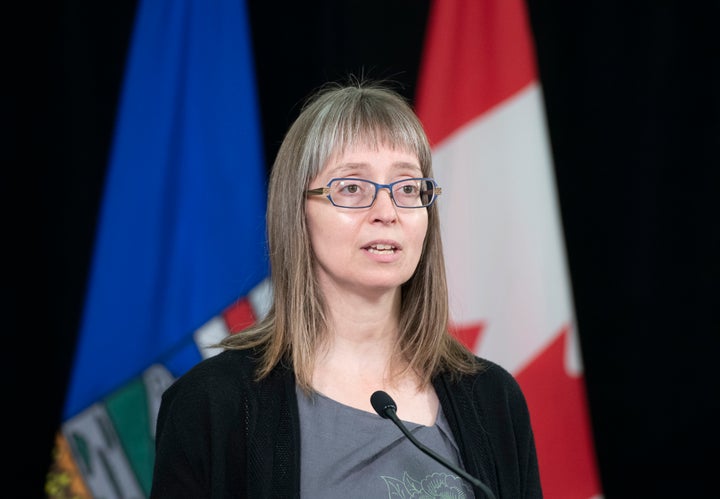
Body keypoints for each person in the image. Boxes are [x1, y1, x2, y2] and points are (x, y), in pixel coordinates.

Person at [149, 79, 543, 499]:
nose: (386, 212)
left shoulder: (493, 399)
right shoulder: (213, 405)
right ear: (296, 212)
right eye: (352, 188)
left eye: (407, 187)